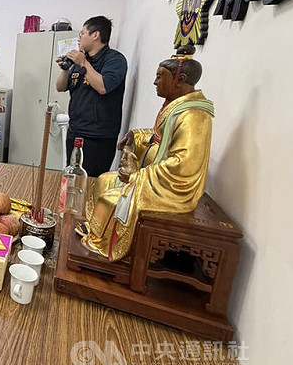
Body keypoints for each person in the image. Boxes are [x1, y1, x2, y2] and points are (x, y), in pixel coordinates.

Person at [82, 49, 214, 262]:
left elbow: (183, 165)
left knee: (110, 199)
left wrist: (137, 176)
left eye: (160, 76)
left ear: (179, 79)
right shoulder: (177, 108)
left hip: (170, 189)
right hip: (153, 177)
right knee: (104, 180)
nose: (154, 82)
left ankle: (102, 244)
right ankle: (97, 233)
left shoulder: (194, 116)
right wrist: (135, 136)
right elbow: (159, 139)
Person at [56, 16, 127, 177]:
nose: (80, 38)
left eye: (83, 33)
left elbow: (103, 87)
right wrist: (66, 69)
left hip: (98, 136)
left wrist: (84, 64)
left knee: (91, 182)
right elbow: (60, 87)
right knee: (73, 177)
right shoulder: (81, 61)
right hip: (76, 130)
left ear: (95, 35)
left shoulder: (114, 60)